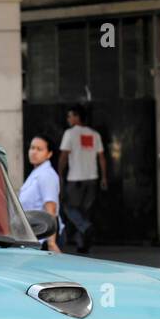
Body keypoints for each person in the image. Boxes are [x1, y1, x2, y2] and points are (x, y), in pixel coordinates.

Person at [57, 105, 108, 254]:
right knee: (85, 212)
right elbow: (102, 158)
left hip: (76, 179)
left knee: (68, 207)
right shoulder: (94, 134)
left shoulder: (70, 133)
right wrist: (104, 177)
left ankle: (85, 227)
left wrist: (59, 174)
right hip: (92, 178)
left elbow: (64, 156)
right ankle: (82, 245)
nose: (68, 119)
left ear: (76, 117)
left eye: (69, 116)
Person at [19, 135, 64, 253]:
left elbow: (51, 208)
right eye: (32, 148)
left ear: (49, 154)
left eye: (39, 149)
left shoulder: (46, 175)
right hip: (33, 235)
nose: (34, 152)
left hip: (44, 237)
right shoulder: (37, 172)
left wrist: (51, 243)